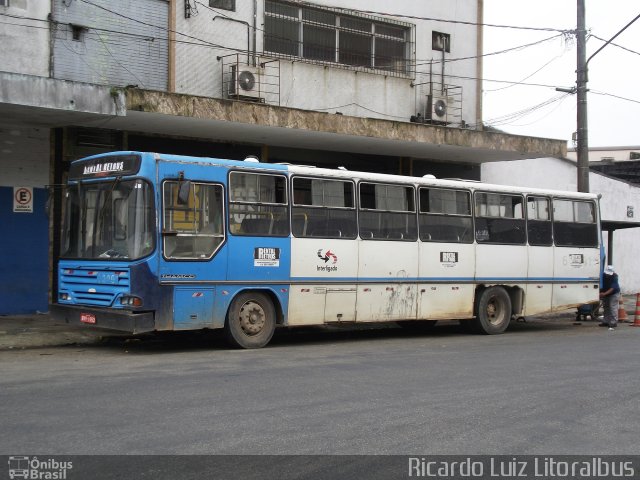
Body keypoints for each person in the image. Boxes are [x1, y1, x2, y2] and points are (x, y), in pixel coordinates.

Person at [599, 265, 621, 330]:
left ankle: (614, 322)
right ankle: (606, 321)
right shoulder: (602, 275)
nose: (607, 275)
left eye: (609, 274)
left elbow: (612, 288)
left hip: (614, 293)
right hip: (605, 293)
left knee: (612, 307)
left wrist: (604, 294)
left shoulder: (614, 276)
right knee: (606, 307)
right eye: (607, 274)